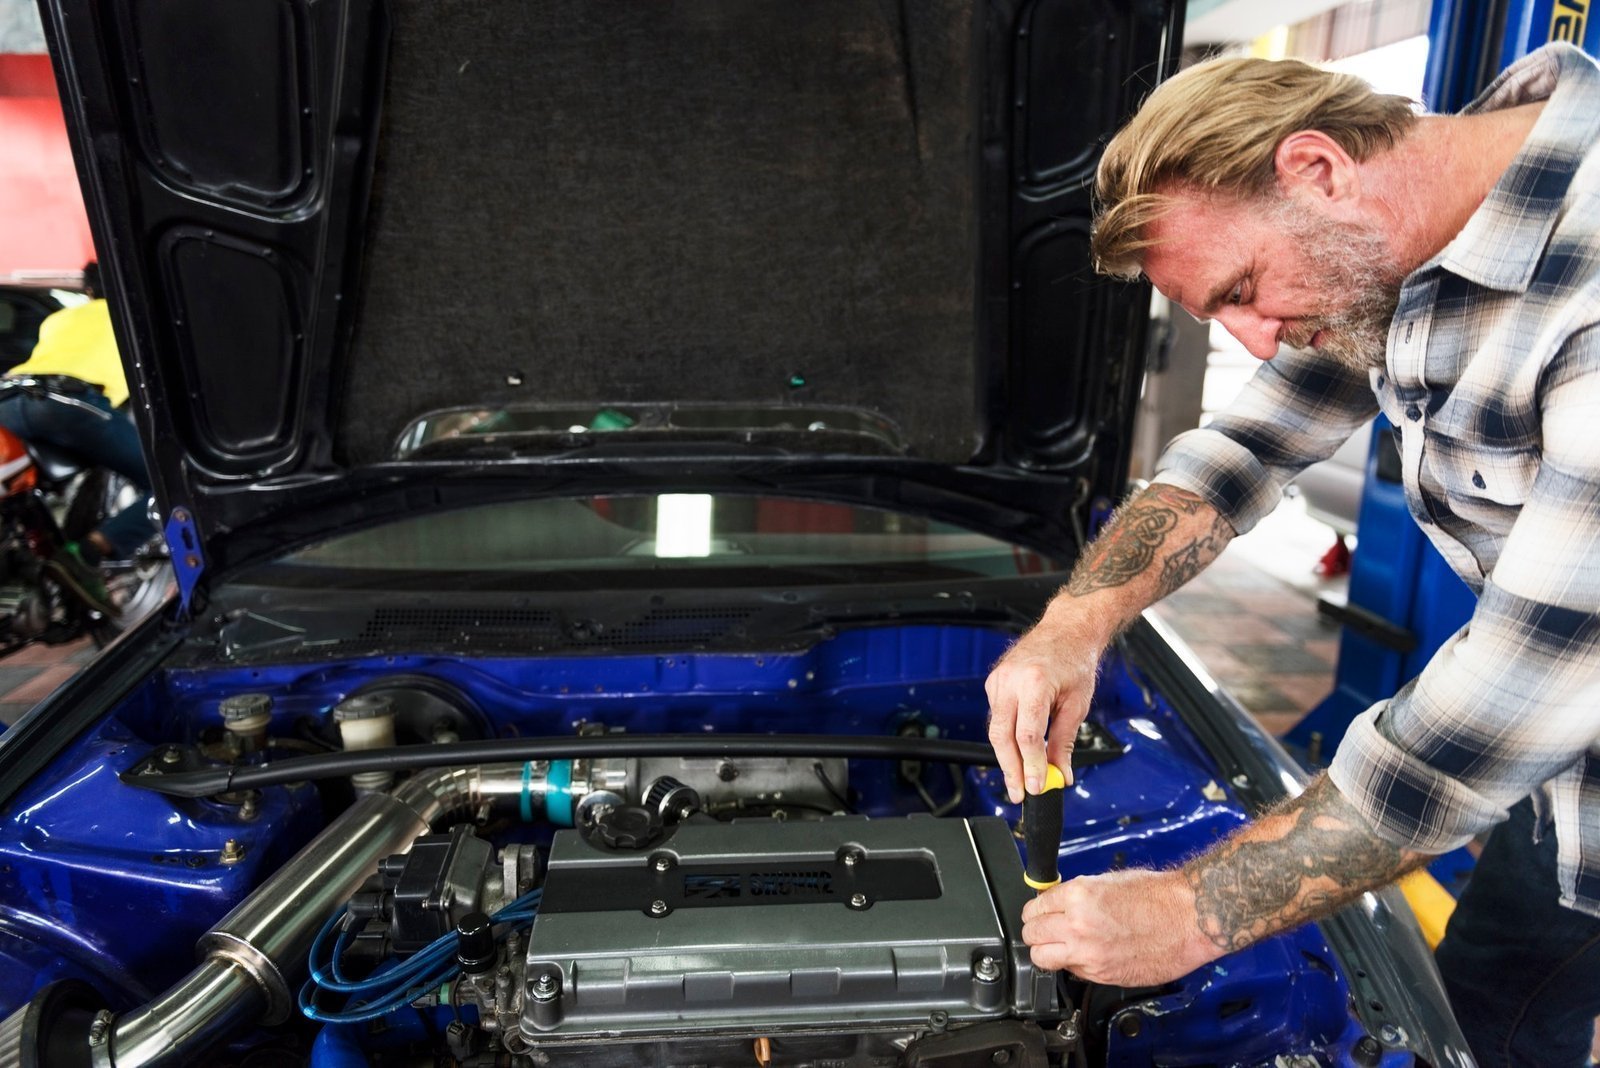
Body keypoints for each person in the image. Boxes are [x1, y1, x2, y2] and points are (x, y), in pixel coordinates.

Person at [984, 43, 1600, 1067]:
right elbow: (1242, 449)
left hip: (1549, 723)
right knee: (1491, 995)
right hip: (1566, 784)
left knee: (1493, 1022)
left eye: (1242, 289)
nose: (1257, 341)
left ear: (1316, 166)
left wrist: (1192, 911)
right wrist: (1074, 623)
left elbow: (1509, 704)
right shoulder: (1400, 228)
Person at [1, 262, 154, 612]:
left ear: (88, 291)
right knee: (167, 486)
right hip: (66, 403)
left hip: (8, 397)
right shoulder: (135, 318)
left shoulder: (60, 318)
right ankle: (87, 554)